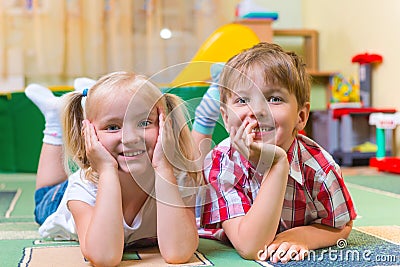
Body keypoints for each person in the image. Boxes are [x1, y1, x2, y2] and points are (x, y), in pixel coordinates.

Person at [199, 42, 357, 263]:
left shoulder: (320, 167)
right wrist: (277, 163)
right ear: (225, 118)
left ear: (301, 117)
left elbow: (341, 225)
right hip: (234, 234)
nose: (258, 111)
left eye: (274, 99)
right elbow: (251, 247)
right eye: (243, 100)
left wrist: (303, 236)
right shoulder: (221, 162)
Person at [25, 71, 201, 266]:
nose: (131, 138)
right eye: (112, 127)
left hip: (127, 168)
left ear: (165, 125)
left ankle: (102, 102)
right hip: (59, 200)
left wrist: (163, 167)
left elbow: (179, 253)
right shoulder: (83, 187)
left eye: (144, 123)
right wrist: (107, 171)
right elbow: (104, 257)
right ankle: (53, 122)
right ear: (89, 134)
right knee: (43, 199)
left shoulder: (177, 178)